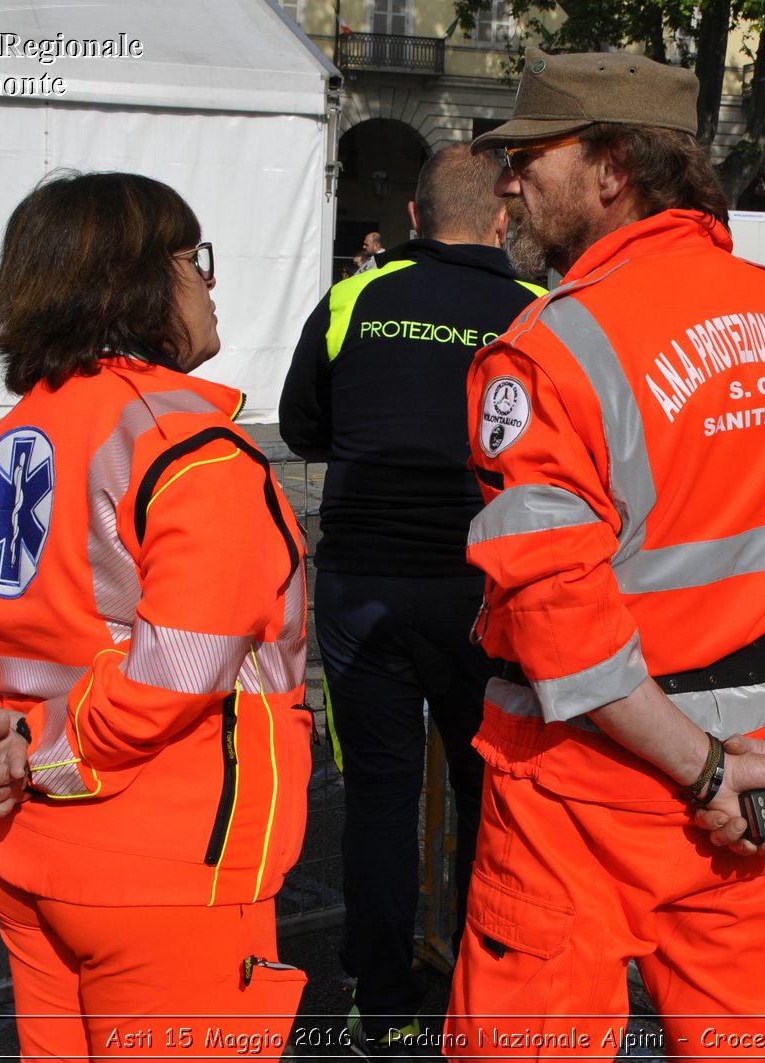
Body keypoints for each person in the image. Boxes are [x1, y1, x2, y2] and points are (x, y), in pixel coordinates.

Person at [443, 49, 765, 1058]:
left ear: (611, 169)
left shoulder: (547, 350)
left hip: (578, 795)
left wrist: (711, 774)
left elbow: (561, 627)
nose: (508, 181)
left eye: (528, 155)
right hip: (750, 799)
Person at [0, 171, 313, 1062]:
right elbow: (179, 672)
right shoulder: (191, 451)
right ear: (143, 280)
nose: (206, 283)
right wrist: (41, 748)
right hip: (170, 869)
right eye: (194, 260)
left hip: (21, 859)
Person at [278, 146, 545, 1055]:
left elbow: (302, 425)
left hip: (363, 588)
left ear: (416, 217)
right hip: (487, 596)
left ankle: (384, 1009)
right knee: (492, 798)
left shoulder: (355, 297)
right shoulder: (537, 315)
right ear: (503, 221)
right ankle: (481, 997)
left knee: (381, 801)